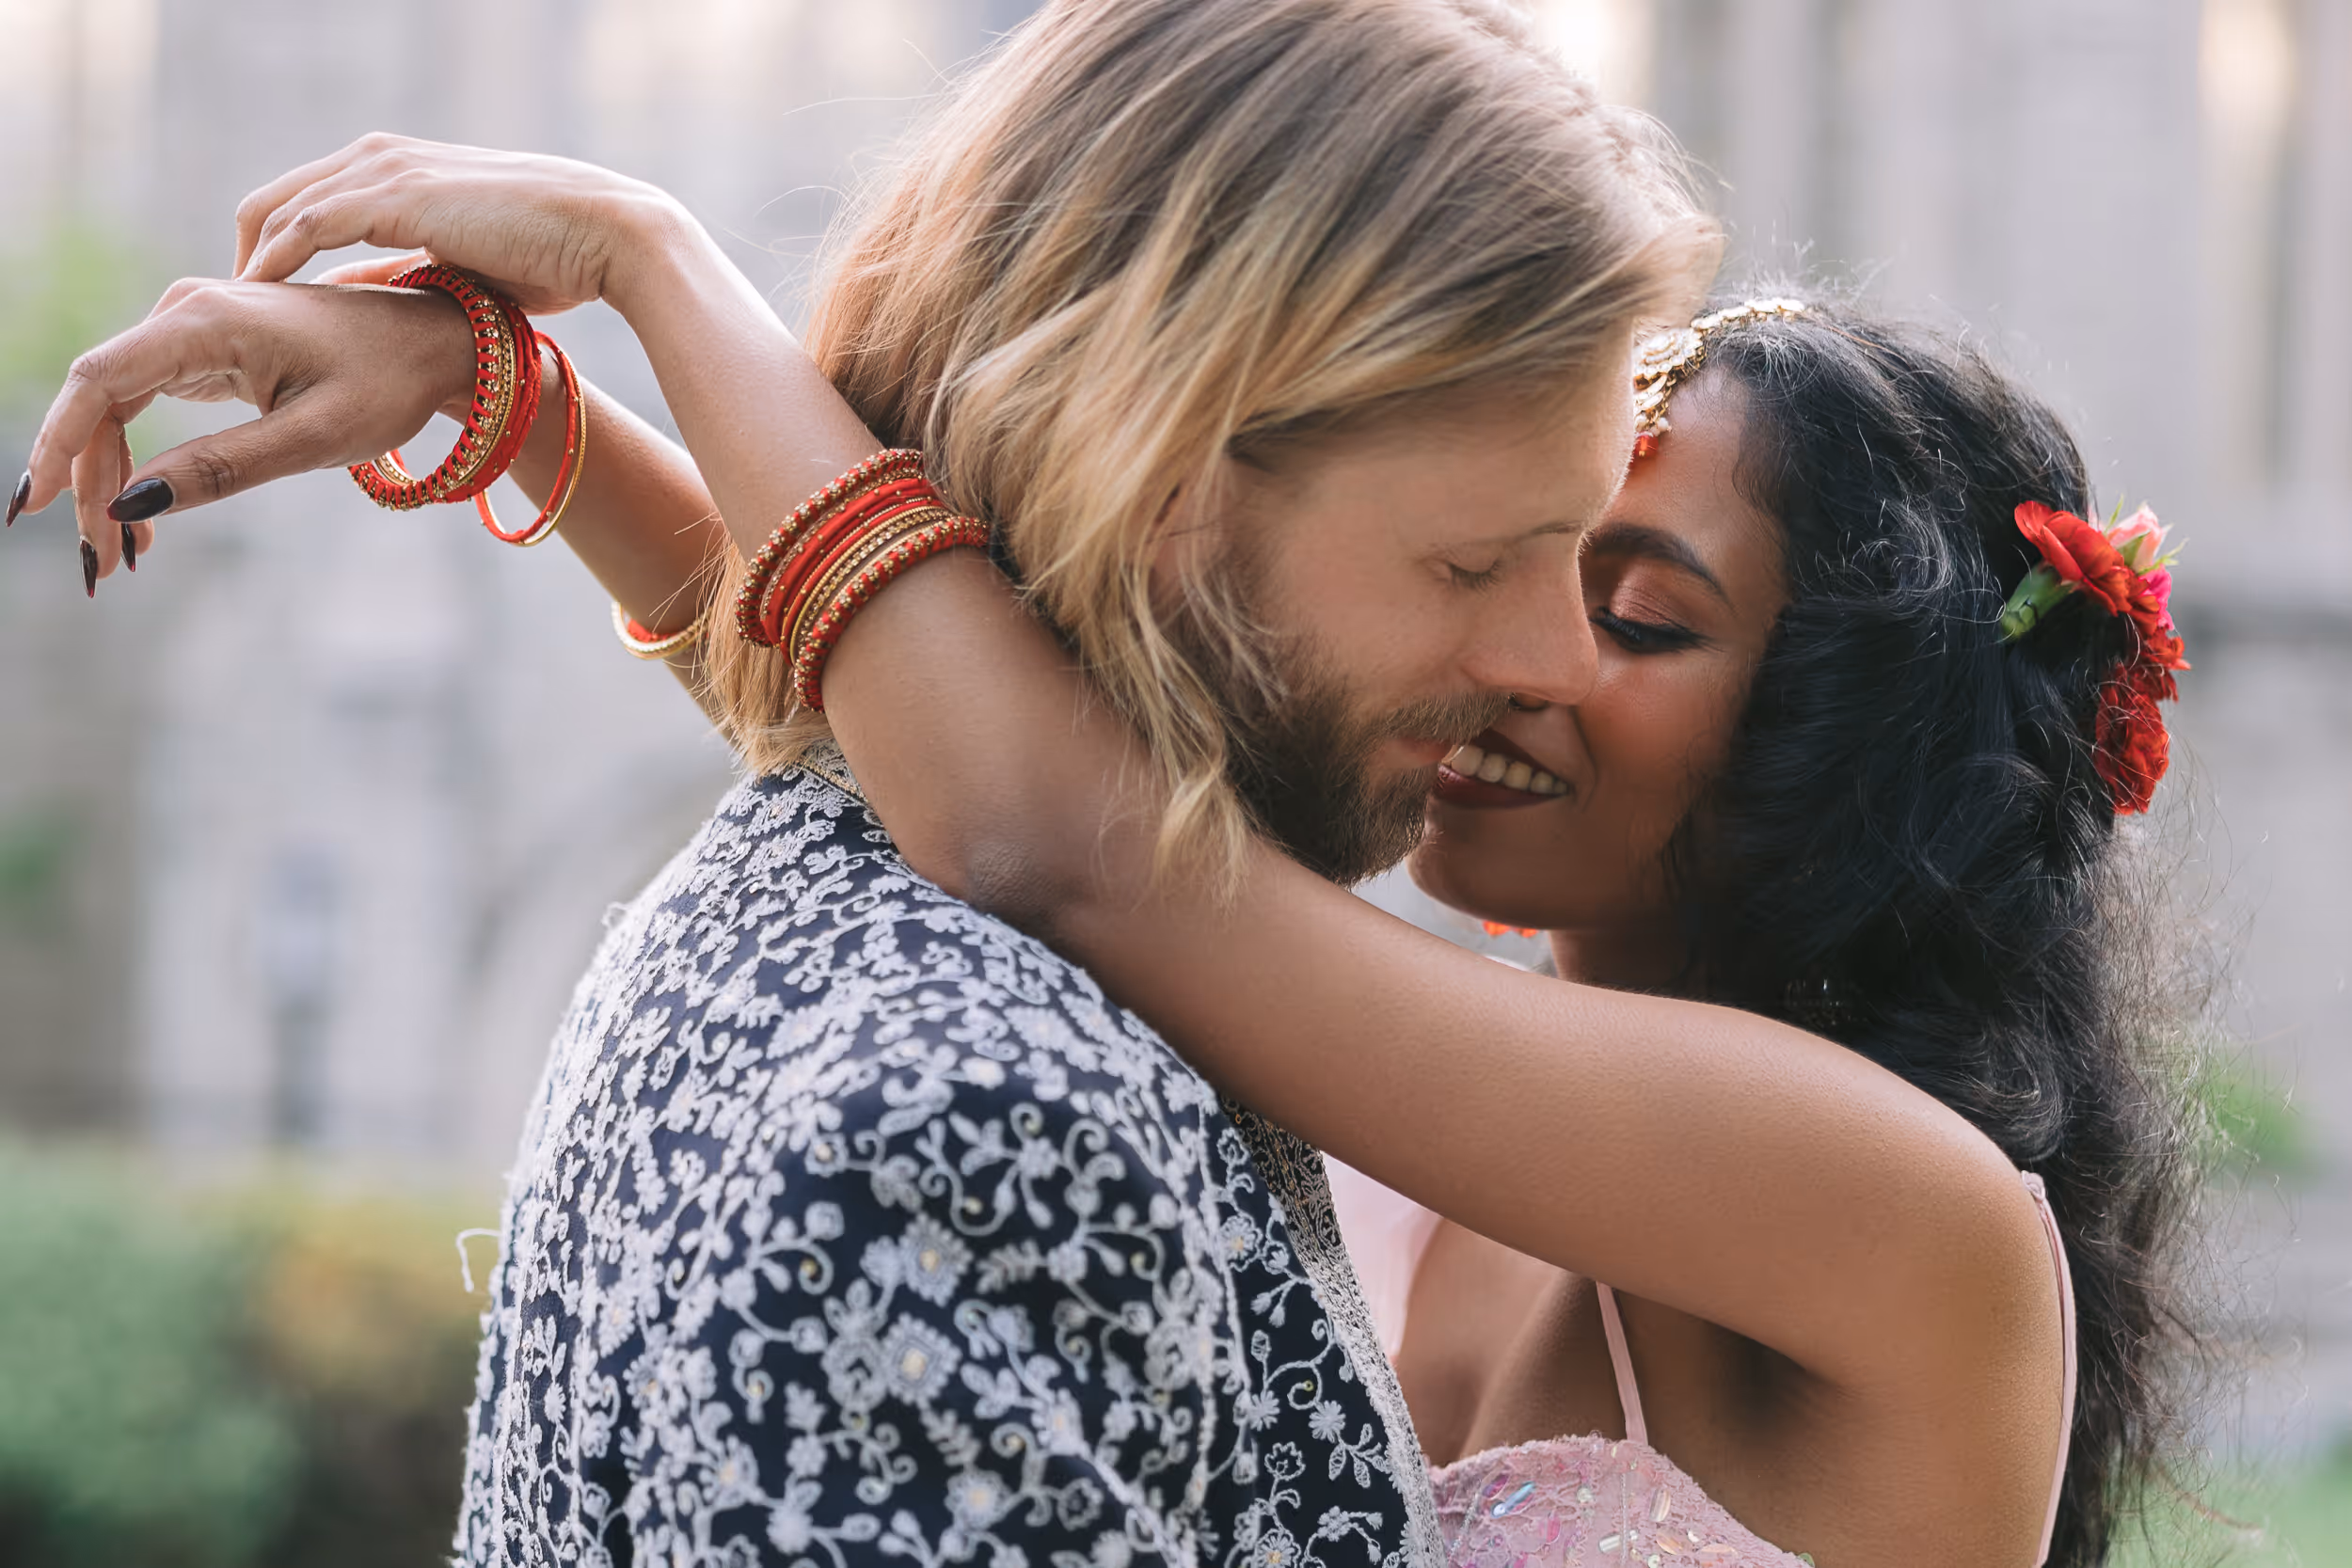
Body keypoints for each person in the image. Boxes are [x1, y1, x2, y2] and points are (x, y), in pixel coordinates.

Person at [17, 2, 1715, 1563]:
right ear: (1168, 476)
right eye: (1481, 561)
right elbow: (986, 783)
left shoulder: (975, 927)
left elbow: (1011, 800)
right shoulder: (975, 1122)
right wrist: (545, 369)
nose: (1559, 666)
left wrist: (617, 290)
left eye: (1626, 599)